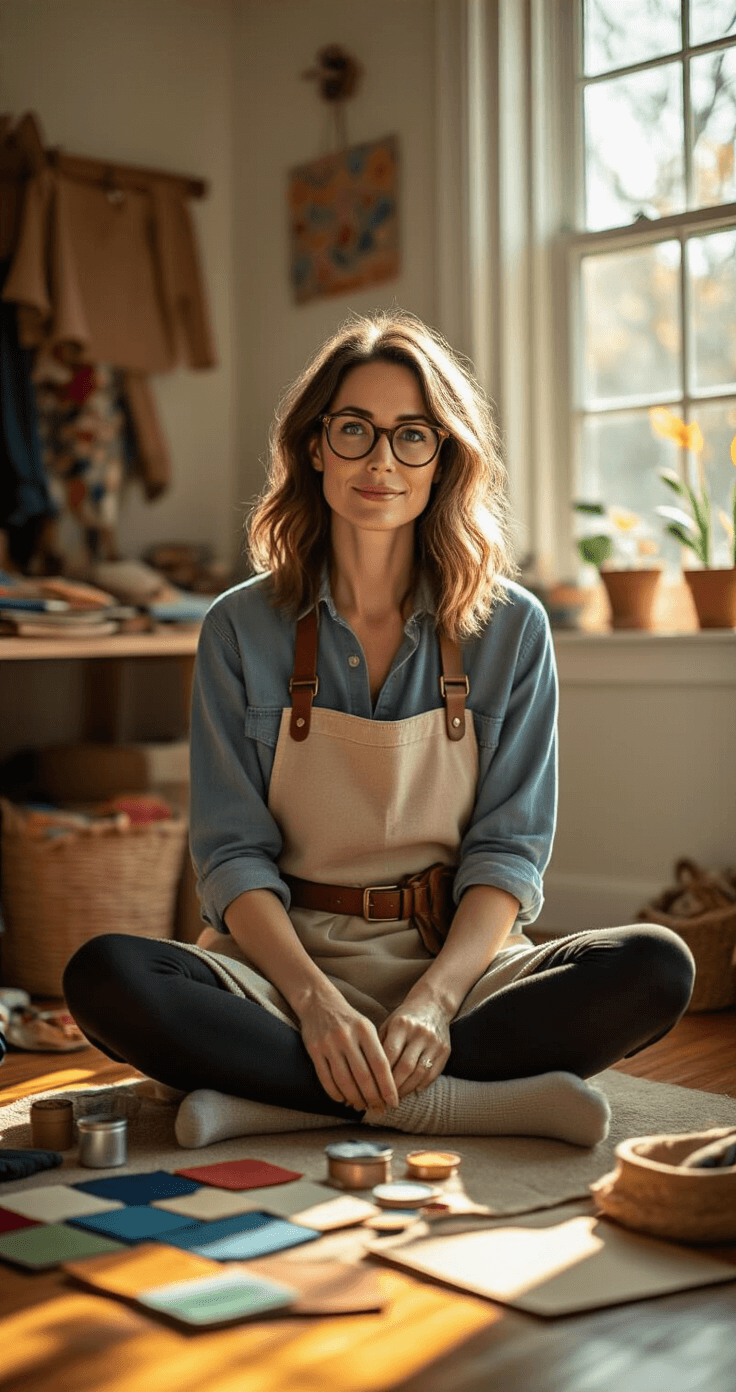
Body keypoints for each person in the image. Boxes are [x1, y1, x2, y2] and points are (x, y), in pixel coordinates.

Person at [64, 311, 695, 1149]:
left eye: (412, 437)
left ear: (445, 459)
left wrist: (433, 1000)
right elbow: (229, 855)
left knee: (655, 965)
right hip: (281, 970)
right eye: (355, 430)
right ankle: (456, 1101)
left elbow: (508, 851)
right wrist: (317, 1003)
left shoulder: (512, 628)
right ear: (316, 445)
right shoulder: (237, 628)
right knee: (106, 975)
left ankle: (275, 1099)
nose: (380, 461)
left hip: (460, 967)